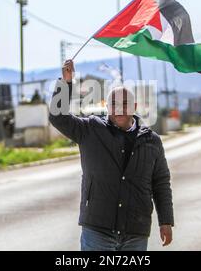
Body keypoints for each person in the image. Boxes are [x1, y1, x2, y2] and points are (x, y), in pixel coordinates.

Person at [49, 59, 174, 251]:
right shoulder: (90, 129)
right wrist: (66, 84)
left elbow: (160, 183)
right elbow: (58, 117)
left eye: (125, 104)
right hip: (97, 230)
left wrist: (165, 220)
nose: (119, 109)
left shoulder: (152, 140)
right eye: (114, 104)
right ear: (107, 107)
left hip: (135, 232)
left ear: (135, 106)